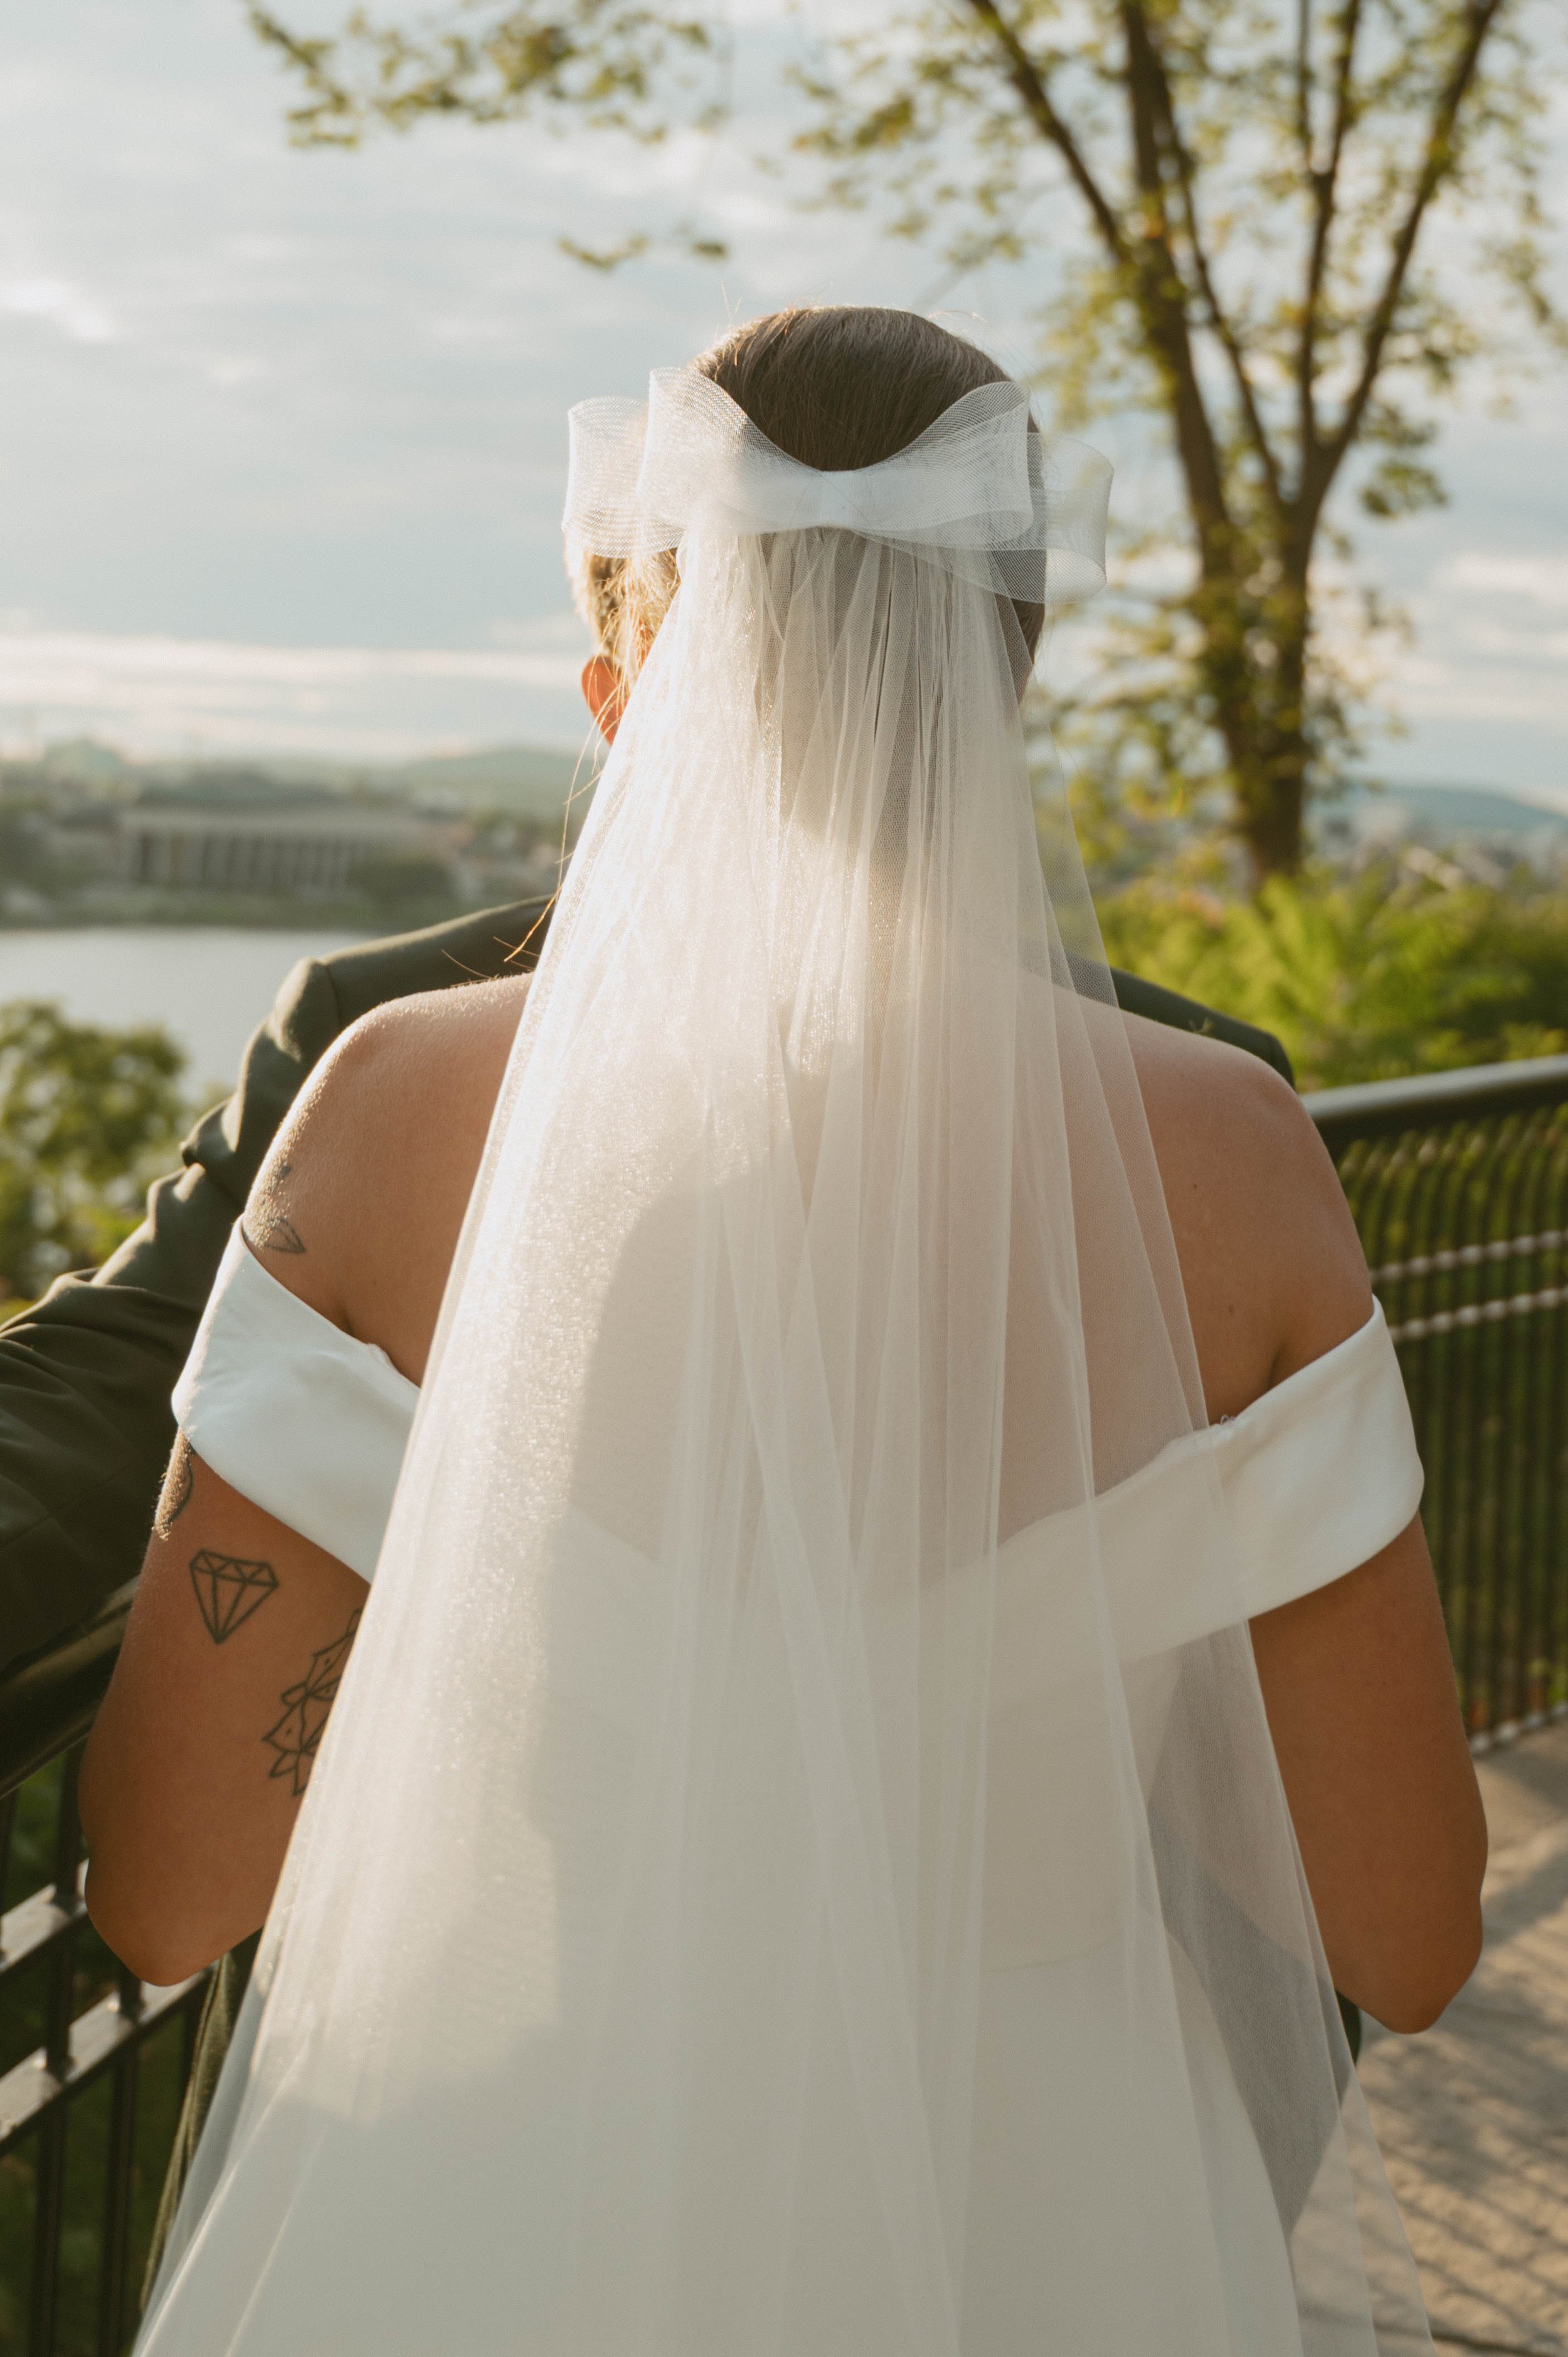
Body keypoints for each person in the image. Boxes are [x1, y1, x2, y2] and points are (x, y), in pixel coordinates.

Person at [80, 307, 1481, 2354]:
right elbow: (1405, 1936)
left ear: (619, 695)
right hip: (1055, 2215)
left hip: (500, 2179)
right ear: (1003, 678)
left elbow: (168, 1893)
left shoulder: (390, 1113)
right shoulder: (1227, 1160)